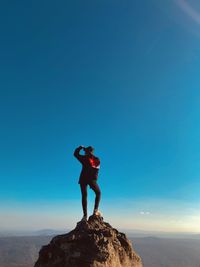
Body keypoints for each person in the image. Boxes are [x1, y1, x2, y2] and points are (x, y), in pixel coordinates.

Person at [74, 145, 101, 221]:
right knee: (98, 193)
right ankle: (95, 211)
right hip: (91, 179)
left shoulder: (84, 158)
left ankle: (85, 216)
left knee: (84, 196)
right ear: (92, 151)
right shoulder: (96, 159)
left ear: (86, 152)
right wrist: (95, 179)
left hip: (83, 179)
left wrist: (80, 148)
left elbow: (75, 154)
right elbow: (96, 169)